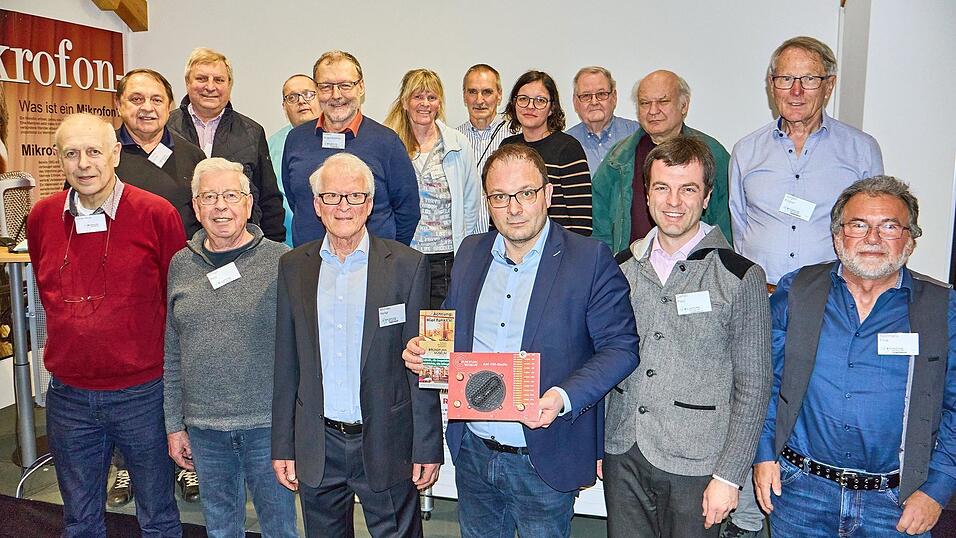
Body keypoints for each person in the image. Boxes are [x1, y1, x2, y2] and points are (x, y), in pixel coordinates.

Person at [403, 143, 639, 537]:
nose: (513, 208)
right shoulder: (471, 252)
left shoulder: (590, 259)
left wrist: (561, 398)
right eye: (499, 196)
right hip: (475, 451)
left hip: (543, 455)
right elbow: (451, 326)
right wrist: (427, 350)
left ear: (547, 195)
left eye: (525, 193)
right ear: (488, 201)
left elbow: (621, 348)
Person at [754, 175, 956, 536]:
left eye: (889, 226)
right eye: (858, 225)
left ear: (909, 240)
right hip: (800, 492)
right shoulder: (797, 290)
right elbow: (767, 380)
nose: (873, 239)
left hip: (896, 504)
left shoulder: (942, 308)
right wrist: (765, 453)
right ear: (837, 237)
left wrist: (938, 488)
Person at [604, 136, 771, 537]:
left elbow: (754, 384)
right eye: (662, 187)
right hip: (623, 450)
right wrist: (600, 445)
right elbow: (606, 358)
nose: (673, 201)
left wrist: (729, 476)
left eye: (688, 189)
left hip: (699, 463)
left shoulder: (740, 276)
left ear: (707, 195)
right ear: (647, 196)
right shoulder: (621, 267)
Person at [27, 113, 184, 537]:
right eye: (71, 154)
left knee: (157, 515)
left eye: (94, 151)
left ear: (115, 153)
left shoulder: (156, 214)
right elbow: (49, 295)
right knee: (79, 519)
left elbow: (176, 301)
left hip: (143, 395)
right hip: (70, 397)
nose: (84, 164)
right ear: (58, 159)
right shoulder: (41, 217)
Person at [271, 152, 442, 537]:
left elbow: (423, 364)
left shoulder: (407, 266)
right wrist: (283, 443)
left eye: (354, 196)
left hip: (387, 438)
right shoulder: (293, 267)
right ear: (316, 205)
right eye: (331, 196)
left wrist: (428, 446)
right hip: (319, 442)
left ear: (370, 203)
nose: (343, 206)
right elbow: (287, 364)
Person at [163, 157, 295, 537]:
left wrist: (294, 427)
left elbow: (301, 351)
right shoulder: (180, 265)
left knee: (280, 529)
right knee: (220, 530)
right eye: (209, 197)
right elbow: (172, 350)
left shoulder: (282, 262)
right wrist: (174, 425)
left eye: (231, 195)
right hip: (205, 431)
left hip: (267, 428)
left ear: (249, 203)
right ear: (196, 207)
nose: (221, 206)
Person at [109, 67, 208, 507]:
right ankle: (127, 466)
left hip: (185, 284)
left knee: (183, 373)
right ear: (120, 105)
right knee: (132, 379)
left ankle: (189, 464)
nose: (146, 108)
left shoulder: (191, 156)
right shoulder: (105, 154)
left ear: (169, 105)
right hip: (126, 291)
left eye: (155, 99)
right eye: (136, 99)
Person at [730, 36, 884, 285]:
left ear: (829, 86)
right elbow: (739, 224)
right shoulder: (745, 151)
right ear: (772, 85)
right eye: (786, 79)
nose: (796, 91)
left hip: (829, 296)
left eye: (809, 79)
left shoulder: (862, 150)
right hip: (760, 295)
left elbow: (872, 229)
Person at [281, 50, 419, 247]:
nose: (336, 95)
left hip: (373, 269)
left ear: (361, 87)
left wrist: (387, 257)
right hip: (310, 267)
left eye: (345, 85)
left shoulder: (387, 142)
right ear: (317, 90)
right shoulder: (296, 140)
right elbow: (297, 200)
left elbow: (408, 211)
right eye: (326, 86)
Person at [592, 70, 732, 255]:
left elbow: (726, 225)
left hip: (697, 272)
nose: (653, 111)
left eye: (663, 102)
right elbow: (599, 227)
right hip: (632, 271)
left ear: (684, 105)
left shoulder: (712, 154)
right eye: (645, 103)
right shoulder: (618, 158)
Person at [384, 68, 482, 307]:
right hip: (403, 254)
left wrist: (466, 253)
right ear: (405, 102)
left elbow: (471, 204)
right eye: (417, 97)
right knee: (402, 327)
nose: (425, 104)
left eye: (431, 97)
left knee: (440, 334)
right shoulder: (388, 143)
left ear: (439, 103)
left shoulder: (457, 144)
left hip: (445, 259)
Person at [167, 47, 286, 242]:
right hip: (179, 245)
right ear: (188, 82)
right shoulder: (165, 130)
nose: (210, 87)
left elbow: (269, 198)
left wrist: (273, 250)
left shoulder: (252, 132)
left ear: (229, 85)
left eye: (219, 80)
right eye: (202, 79)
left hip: (240, 249)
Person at [500, 70, 592, 236]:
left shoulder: (568, 148)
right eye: (523, 99)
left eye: (540, 101)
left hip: (559, 251)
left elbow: (582, 224)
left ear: (551, 108)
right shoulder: (506, 147)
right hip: (513, 246)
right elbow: (499, 207)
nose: (530, 106)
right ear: (514, 104)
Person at [267, 74, 322, 246]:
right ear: (284, 107)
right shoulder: (271, 145)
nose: (301, 101)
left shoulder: (341, 136)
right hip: (288, 243)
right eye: (292, 97)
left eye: (308, 94)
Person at [456, 64, 513, 230]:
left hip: (505, 237)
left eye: (487, 92)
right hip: (465, 242)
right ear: (464, 96)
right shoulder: (452, 141)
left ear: (499, 95)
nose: (479, 100)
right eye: (472, 92)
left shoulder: (515, 137)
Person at [566, 66, 639, 174]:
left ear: (614, 97)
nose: (594, 102)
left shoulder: (637, 134)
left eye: (601, 94)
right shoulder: (566, 143)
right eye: (586, 96)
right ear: (575, 102)